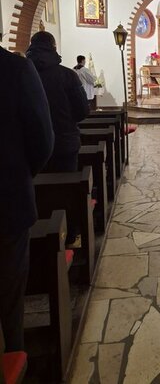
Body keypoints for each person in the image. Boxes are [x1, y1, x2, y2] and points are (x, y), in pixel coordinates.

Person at [0, 46, 54, 352]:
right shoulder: (16, 69)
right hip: (6, 201)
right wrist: (22, 174)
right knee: (8, 288)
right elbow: (42, 140)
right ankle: (12, 353)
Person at [26, 32, 89, 172]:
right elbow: (82, 111)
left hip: (32, 147)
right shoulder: (67, 75)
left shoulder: (21, 75)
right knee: (66, 182)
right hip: (64, 142)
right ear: (53, 47)